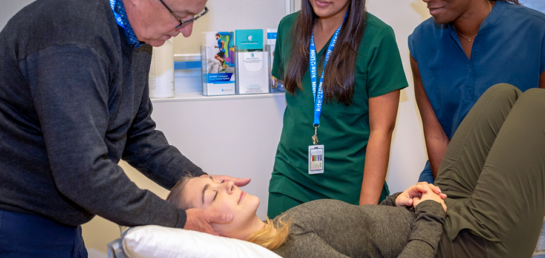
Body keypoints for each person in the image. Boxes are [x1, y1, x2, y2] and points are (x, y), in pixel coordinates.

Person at [0, 0, 250, 256]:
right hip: (17, 219)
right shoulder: (74, 41)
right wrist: (179, 219)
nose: (186, 31)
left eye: (195, 17)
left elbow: (136, 132)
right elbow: (82, 173)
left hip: (59, 218)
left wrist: (202, 181)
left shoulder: (134, 30)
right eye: (181, 17)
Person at [169, 83, 545, 258]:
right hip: (470, 241)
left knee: (503, 95)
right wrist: (429, 215)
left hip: (435, 213)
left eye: (215, 179)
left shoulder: (281, 227)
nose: (226, 183)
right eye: (212, 193)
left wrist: (398, 200)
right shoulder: (292, 252)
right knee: (538, 105)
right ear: (207, 228)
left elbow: (366, 231)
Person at [267, 0, 408, 218]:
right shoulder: (288, 28)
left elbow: (381, 131)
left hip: (349, 188)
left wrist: (366, 215)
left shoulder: (378, 38)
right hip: (290, 181)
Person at [408, 0, 545, 183]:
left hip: (517, 183)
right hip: (447, 179)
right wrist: (451, 201)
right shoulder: (421, 42)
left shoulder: (535, 32)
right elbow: (437, 136)